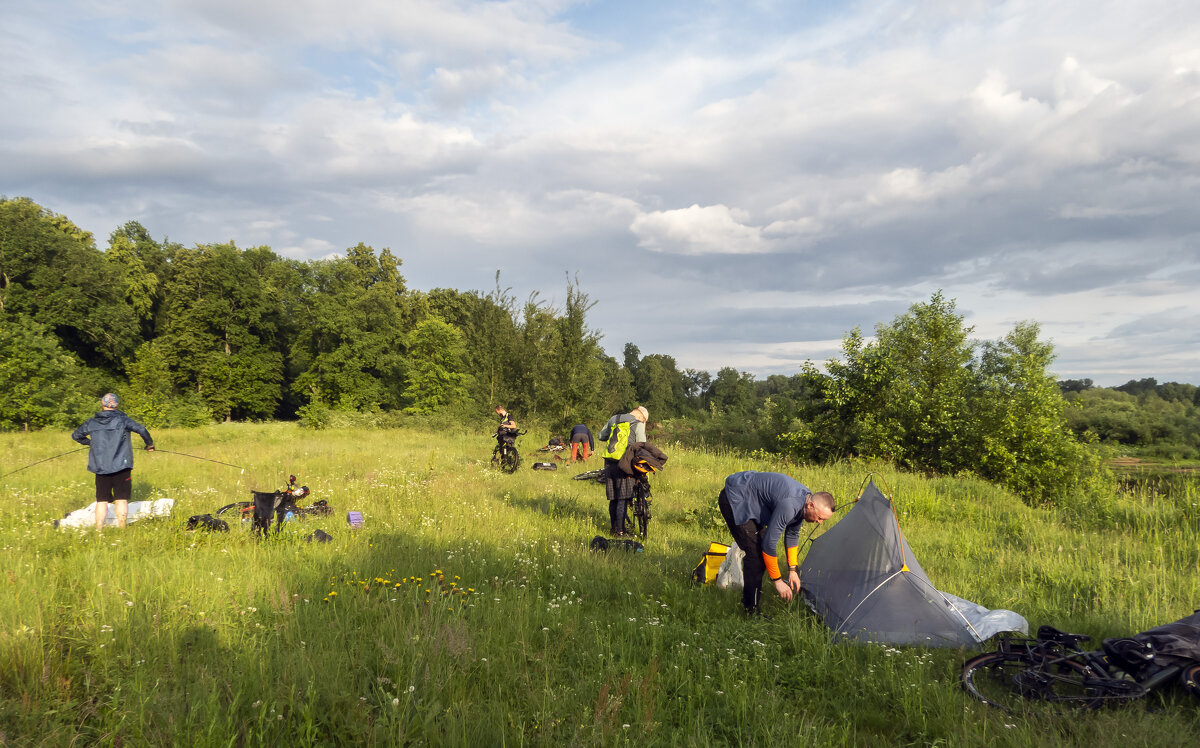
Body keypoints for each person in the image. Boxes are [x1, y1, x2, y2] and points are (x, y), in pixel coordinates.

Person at [717, 471, 835, 615]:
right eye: (819, 517)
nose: (820, 523)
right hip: (735, 498)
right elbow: (769, 545)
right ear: (810, 505)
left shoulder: (803, 503)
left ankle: (751, 604)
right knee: (756, 557)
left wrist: (792, 570)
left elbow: (792, 534)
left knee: (760, 553)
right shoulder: (790, 505)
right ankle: (751, 610)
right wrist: (777, 581)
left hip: (751, 498)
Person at [71, 393, 154, 531]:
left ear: (102, 404)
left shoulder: (91, 422)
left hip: (100, 467)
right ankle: (122, 529)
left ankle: (99, 530)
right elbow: (142, 429)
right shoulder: (123, 420)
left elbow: (76, 435)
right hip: (122, 465)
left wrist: (90, 443)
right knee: (121, 499)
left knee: (101, 500)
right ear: (116, 405)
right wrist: (149, 445)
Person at [597, 406, 648, 536]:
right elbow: (642, 445)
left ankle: (614, 528)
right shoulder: (638, 424)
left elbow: (601, 436)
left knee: (613, 498)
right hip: (625, 464)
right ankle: (620, 531)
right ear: (641, 417)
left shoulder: (614, 418)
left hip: (609, 463)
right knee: (623, 498)